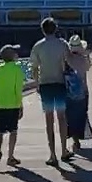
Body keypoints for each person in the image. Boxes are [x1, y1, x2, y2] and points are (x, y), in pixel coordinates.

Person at [29, 17, 71, 166]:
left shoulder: (38, 46)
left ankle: (52, 154)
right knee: (62, 118)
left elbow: (34, 68)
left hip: (45, 84)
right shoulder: (62, 44)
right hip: (59, 83)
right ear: (56, 29)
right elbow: (69, 62)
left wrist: (36, 83)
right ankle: (64, 150)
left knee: (49, 120)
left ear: (42, 30)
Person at [0, 44, 25, 170]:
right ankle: (10, 156)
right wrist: (20, 105)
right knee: (13, 131)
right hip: (13, 104)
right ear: (12, 56)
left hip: (0, 103)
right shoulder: (17, 69)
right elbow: (18, 89)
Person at [64, 35, 92, 152]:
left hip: (68, 92)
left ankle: (74, 140)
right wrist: (86, 54)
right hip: (83, 91)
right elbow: (90, 64)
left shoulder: (66, 59)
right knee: (81, 115)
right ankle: (78, 138)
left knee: (70, 116)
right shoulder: (83, 59)